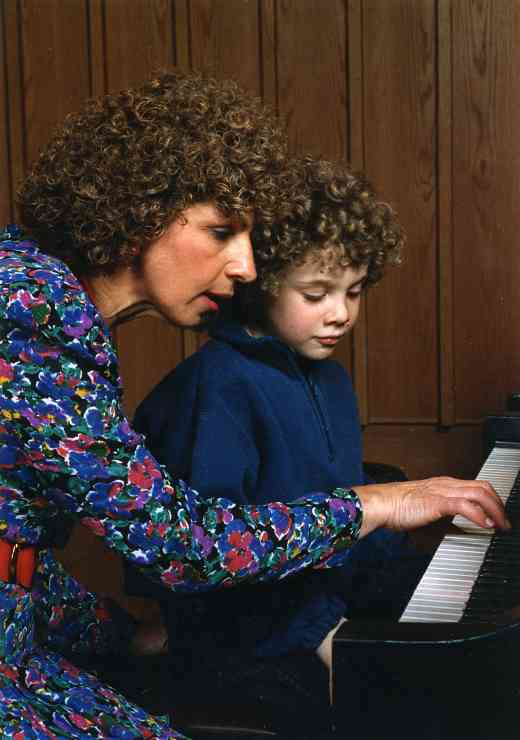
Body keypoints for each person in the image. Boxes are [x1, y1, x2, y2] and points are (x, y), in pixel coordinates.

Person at [0, 69, 508, 740]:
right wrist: (375, 503)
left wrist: (122, 633)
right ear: (136, 212)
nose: (245, 267)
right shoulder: (32, 306)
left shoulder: (47, 301)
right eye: (219, 232)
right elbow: (178, 542)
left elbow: (14, 550)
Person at [128, 157, 430, 734]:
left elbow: (337, 510)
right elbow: (209, 567)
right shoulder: (218, 385)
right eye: (316, 294)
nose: (340, 314)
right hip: (245, 632)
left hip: (320, 602)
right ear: (262, 284)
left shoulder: (330, 379)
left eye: (354, 292)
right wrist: (320, 633)